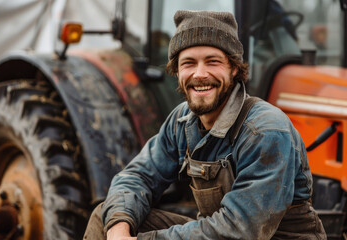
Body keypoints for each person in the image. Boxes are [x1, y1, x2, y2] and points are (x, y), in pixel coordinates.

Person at [84, 10, 326, 240]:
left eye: (212, 62)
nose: (200, 74)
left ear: (234, 69)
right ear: (176, 71)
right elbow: (138, 176)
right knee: (106, 216)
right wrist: (118, 229)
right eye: (188, 63)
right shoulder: (182, 121)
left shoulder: (265, 130)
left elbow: (240, 231)